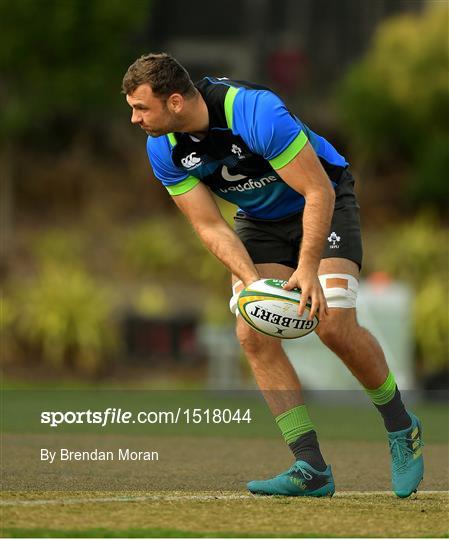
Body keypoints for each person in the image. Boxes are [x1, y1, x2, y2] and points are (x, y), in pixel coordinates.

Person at [122, 53, 424, 498]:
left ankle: (402, 427)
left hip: (324, 199)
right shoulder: (162, 148)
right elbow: (209, 225)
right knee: (251, 331)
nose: (134, 119)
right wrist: (251, 281)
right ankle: (310, 466)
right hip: (259, 219)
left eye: (141, 108)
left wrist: (307, 269)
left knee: (334, 324)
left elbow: (317, 189)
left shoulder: (254, 111)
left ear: (174, 102)